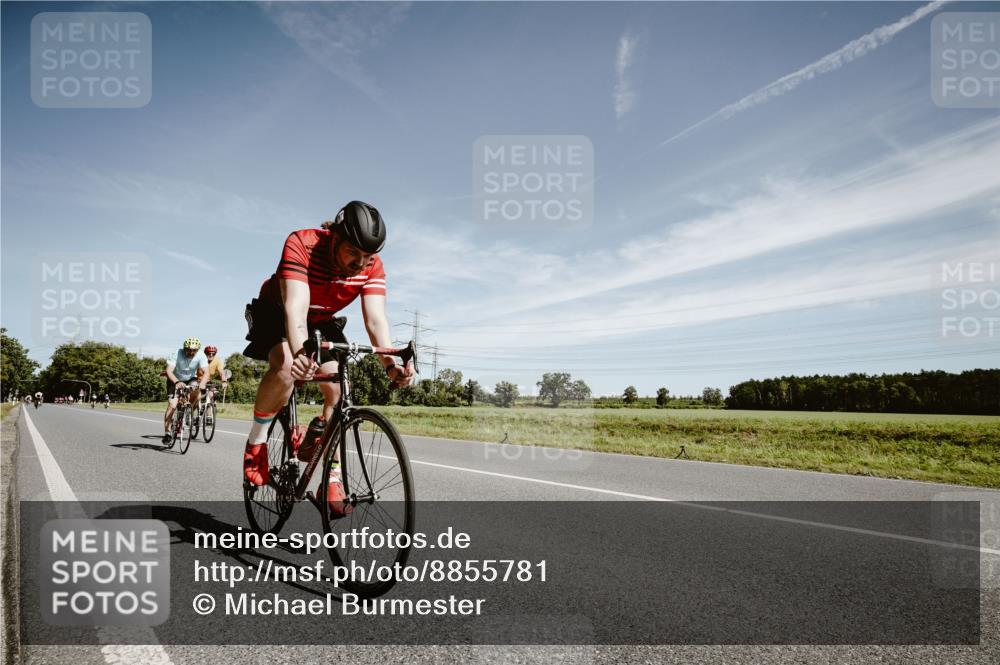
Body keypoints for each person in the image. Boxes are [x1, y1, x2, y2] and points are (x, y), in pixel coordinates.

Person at [242, 201, 414, 515]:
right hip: (277, 310)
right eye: (353, 253)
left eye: (368, 256)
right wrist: (300, 354)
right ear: (334, 237)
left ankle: (330, 474)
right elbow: (295, 307)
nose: (361, 263)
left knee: (337, 389)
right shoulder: (303, 244)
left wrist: (392, 364)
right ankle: (257, 443)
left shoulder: (372, 266)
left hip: (321, 320)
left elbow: (375, 320)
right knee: (284, 369)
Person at [163, 337, 209, 444]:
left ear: (198, 350)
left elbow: (206, 372)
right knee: (172, 405)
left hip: (190, 379)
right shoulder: (177, 353)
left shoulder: (201, 355)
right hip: (174, 379)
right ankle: (167, 433)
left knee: (197, 391)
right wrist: (176, 382)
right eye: (188, 349)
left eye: (194, 350)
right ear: (184, 348)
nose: (191, 352)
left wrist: (202, 384)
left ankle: (188, 411)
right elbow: (169, 371)